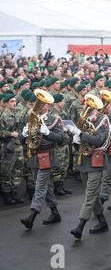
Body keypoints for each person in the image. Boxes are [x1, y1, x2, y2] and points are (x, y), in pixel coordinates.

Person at [67, 94, 111, 239]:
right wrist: (76, 140)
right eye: (85, 104)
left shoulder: (102, 120)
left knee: (90, 194)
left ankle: (80, 225)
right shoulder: (83, 119)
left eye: (87, 105)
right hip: (84, 161)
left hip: (96, 160)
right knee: (93, 194)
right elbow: (81, 142)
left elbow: (98, 140)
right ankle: (102, 221)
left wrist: (81, 134)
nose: (85, 107)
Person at [20, 90, 65, 229]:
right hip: (34, 156)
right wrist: (24, 134)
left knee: (39, 186)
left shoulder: (54, 119)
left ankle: (32, 216)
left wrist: (47, 132)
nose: (39, 106)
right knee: (46, 186)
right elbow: (24, 141)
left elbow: (61, 138)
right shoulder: (31, 119)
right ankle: (55, 212)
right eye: (38, 103)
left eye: (43, 104)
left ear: (48, 106)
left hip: (46, 156)